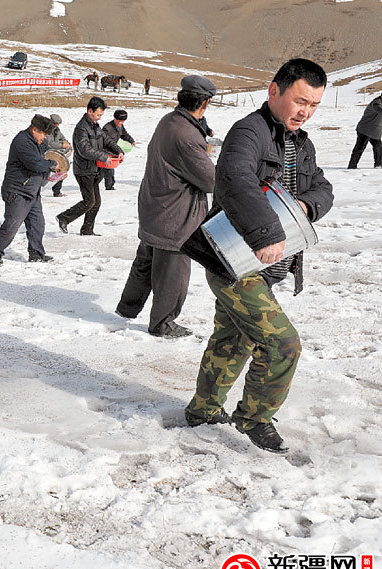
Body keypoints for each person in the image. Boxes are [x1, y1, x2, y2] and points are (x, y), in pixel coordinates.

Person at [183, 58, 333, 454]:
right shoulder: (248, 133)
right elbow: (235, 181)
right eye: (300, 100)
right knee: (282, 343)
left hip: (266, 266)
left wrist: (306, 206)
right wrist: (265, 232)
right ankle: (255, 418)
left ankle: (202, 411)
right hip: (233, 260)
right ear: (274, 91)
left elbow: (323, 188)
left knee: (232, 339)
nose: (305, 111)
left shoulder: (302, 144)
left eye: (314, 105)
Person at [115, 76, 216, 338]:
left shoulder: (170, 121)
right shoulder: (187, 136)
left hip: (154, 206)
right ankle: (163, 323)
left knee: (146, 261)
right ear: (204, 103)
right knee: (173, 272)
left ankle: (127, 308)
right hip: (175, 215)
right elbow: (210, 180)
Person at [0, 114, 58, 266]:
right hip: (17, 190)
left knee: (37, 224)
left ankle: (36, 254)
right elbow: (36, 164)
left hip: (32, 191)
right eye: (44, 134)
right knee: (12, 224)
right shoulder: (22, 142)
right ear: (35, 129)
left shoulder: (39, 143)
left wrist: (56, 171)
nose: (45, 137)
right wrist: (52, 164)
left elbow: (46, 158)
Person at [56, 97, 123, 236]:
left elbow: (106, 140)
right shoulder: (81, 129)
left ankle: (87, 230)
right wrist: (104, 156)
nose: (99, 118)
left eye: (101, 115)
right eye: (98, 114)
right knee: (89, 201)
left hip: (94, 169)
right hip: (83, 170)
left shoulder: (94, 126)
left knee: (96, 202)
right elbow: (84, 150)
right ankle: (64, 217)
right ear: (90, 111)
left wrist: (118, 151)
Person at [100, 109, 135, 190]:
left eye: (122, 121)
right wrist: (119, 151)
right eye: (119, 121)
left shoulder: (120, 126)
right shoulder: (107, 128)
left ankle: (107, 186)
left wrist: (131, 140)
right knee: (107, 170)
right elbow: (106, 143)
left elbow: (124, 134)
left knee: (105, 171)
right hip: (105, 152)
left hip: (113, 151)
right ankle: (109, 188)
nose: (120, 123)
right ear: (114, 118)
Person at [347, 92, 382, 169]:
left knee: (378, 147)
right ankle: (352, 166)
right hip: (365, 129)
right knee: (360, 148)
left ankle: (379, 165)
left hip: (374, 131)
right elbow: (379, 109)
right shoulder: (376, 103)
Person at [46, 113, 72, 197]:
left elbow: (63, 138)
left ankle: (57, 191)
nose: (57, 125)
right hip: (48, 154)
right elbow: (49, 143)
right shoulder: (46, 131)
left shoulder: (57, 130)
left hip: (57, 154)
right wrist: (61, 145)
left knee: (62, 170)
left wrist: (67, 144)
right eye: (56, 124)